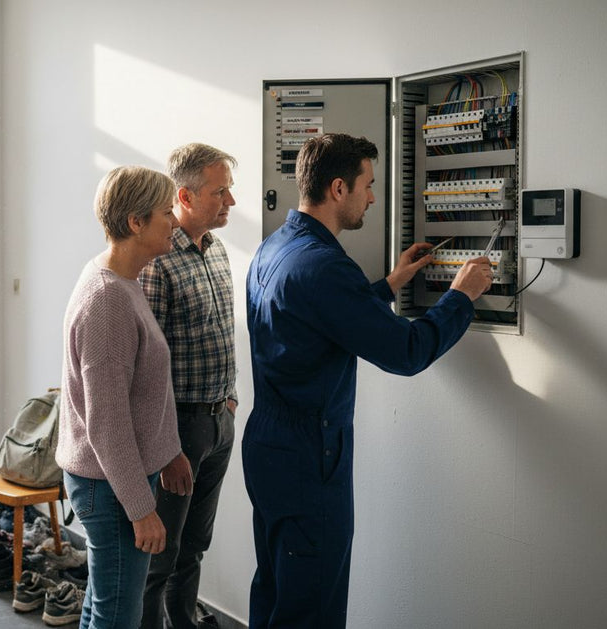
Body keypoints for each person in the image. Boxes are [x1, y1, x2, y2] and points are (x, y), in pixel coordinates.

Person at [242, 133, 494, 628]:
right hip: (310, 455)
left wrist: (389, 284)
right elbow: (406, 352)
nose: (373, 197)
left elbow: (322, 315)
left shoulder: (278, 246)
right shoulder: (325, 266)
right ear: (339, 188)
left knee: (277, 590)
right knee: (312, 607)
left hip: (270, 446)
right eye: (368, 185)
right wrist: (461, 296)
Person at [57, 165, 194, 629]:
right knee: (118, 618)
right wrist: (141, 510)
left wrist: (169, 450)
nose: (174, 221)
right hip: (109, 488)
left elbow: (146, 389)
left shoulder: (121, 278)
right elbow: (108, 424)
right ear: (136, 222)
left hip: (115, 479)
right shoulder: (107, 299)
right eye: (164, 212)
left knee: (102, 607)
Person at [138, 144, 238, 629]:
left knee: (194, 548)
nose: (231, 202)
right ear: (186, 195)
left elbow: (221, 333)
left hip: (219, 422)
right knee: (161, 556)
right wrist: (169, 447)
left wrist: (230, 398)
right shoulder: (158, 262)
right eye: (220, 192)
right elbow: (147, 367)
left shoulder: (216, 251)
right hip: (178, 429)